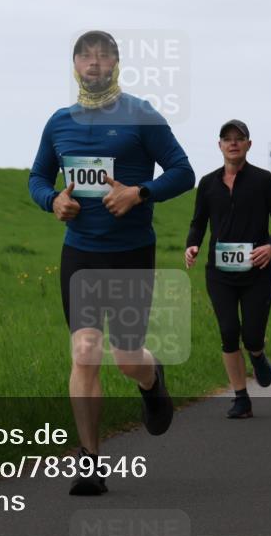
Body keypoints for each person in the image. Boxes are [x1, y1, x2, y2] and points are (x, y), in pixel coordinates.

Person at [28, 30, 195, 495]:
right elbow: (38, 177)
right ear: (75, 65)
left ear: (117, 64)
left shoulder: (141, 115)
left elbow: (183, 171)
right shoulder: (59, 122)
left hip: (130, 252)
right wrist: (52, 201)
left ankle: (151, 378)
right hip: (80, 251)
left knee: (125, 358)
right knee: (83, 351)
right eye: (86, 57)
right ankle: (89, 462)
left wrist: (138, 192)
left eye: (103, 57)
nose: (94, 64)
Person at [186, 119, 271, 418]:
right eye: (227, 138)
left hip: (257, 272)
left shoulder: (263, 180)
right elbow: (198, 222)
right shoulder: (207, 183)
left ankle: (257, 354)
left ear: (248, 144)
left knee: (252, 335)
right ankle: (241, 398)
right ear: (219, 145)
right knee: (229, 332)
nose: (233, 143)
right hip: (219, 273)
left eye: (239, 138)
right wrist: (192, 245)